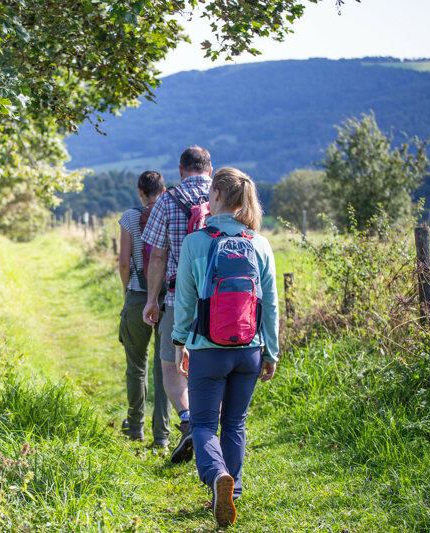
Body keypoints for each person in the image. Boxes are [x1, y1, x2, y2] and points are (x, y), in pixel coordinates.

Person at [172, 167, 279, 527]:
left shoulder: (196, 242)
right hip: (250, 348)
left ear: (215, 195)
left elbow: (185, 301)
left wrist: (179, 342)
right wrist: (271, 351)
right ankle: (231, 495)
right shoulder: (259, 243)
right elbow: (271, 304)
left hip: (206, 347)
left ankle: (217, 476)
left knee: (203, 424)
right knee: (235, 423)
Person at [142, 145, 213, 463]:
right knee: (213, 367)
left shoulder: (168, 200)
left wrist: (151, 300)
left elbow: (157, 256)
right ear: (209, 170)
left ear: (181, 170)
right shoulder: (228, 196)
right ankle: (208, 429)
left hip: (176, 298)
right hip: (220, 303)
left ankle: (187, 419)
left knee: (171, 365)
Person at [118, 171, 171, 446]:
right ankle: (161, 434)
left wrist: (128, 292)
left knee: (136, 365)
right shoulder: (169, 214)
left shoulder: (129, 217)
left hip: (138, 295)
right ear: (163, 191)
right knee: (165, 368)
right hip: (167, 299)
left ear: (140, 192)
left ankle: (136, 426)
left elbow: (124, 263)